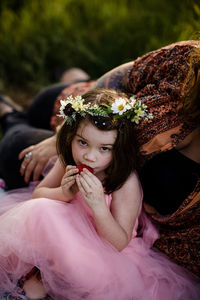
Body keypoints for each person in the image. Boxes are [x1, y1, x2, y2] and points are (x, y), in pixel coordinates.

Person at [0, 88, 199, 299]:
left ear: (119, 148)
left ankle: (49, 281)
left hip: (102, 252)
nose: (89, 156)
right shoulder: (70, 160)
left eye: (104, 148)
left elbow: (119, 242)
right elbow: (38, 195)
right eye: (82, 142)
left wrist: (98, 207)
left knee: (84, 276)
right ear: (71, 137)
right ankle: (43, 276)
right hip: (64, 233)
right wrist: (65, 193)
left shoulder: (124, 181)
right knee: (41, 209)